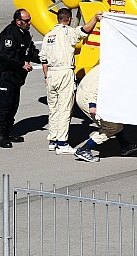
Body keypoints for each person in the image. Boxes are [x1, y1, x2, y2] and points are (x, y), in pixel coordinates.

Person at [39, 8, 102, 154]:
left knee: (53, 109)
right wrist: (94, 18)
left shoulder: (48, 35)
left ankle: (53, 140)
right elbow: (84, 31)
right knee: (65, 108)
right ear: (69, 19)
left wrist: (46, 76)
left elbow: (43, 59)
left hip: (51, 74)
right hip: (64, 72)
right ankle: (62, 143)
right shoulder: (67, 32)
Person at [0, 9, 41, 148]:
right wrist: (21, 64)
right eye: (26, 21)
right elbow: (4, 55)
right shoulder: (10, 34)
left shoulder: (24, 34)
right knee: (4, 105)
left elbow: (30, 52)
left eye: (29, 20)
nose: (29, 23)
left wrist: (43, 59)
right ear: (18, 21)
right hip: (5, 74)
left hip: (16, 76)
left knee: (13, 105)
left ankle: (8, 132)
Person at [73, 64, 137, 162]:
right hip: (89, 97)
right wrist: (92, 104)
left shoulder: (111, 61)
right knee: (111, 127)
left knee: (115, 120)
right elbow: (97, 86)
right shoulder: (115, 68)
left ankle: (125, 146)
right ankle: (84, 149)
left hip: (85, 92)